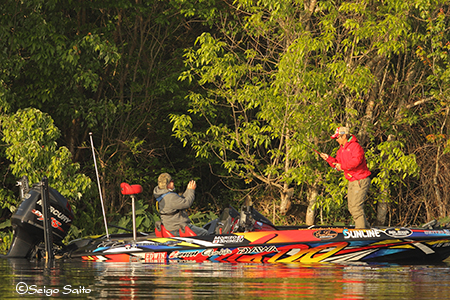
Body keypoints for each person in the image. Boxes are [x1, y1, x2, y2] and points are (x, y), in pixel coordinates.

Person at [319, 127, 372, 229]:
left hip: (360, 180)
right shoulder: (340, 150)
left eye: (337, 137)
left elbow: (356, 161)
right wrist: (328, 159)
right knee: (351, 208)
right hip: (352, 181)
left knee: (356, 207)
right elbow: (337, 164)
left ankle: (361, 232)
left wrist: (342, 166)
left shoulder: (355, 147)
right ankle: (367, 230)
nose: (336, 140)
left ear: (344, 136)